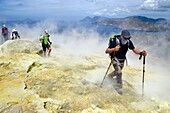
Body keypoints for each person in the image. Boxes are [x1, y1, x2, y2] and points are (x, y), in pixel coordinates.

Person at [105, 30, 147, 94]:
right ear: (121, 36)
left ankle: (109, 77)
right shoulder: (115, 41)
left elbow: (134, 49)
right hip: (115, 59)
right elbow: (107, 51)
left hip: (122, 60)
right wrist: (114, 49)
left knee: (117, 72)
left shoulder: (128, 42)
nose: (126, 39)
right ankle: (119, 88)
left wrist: (141, 53)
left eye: (128, 38)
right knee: (119, 73)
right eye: (125, 38)